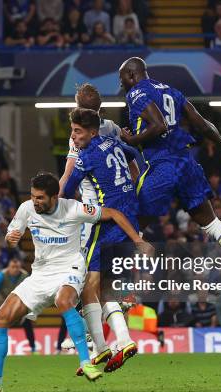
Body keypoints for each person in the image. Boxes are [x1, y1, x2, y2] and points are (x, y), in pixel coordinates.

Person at [0, 172, 145, 392]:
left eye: (40, 198)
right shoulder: (26, 209)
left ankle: (86, 361)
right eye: (33, 196)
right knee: (0, 319)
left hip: (71, 266)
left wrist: (137, 240)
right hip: (40, 273)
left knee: (63, 301)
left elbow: (114, 213)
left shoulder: (74, 208)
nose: (35, 201)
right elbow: (13, 235)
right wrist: (10, 240)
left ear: (54, 197)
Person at [119, 56, 221, 301]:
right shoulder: (171, 90)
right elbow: (200, 122)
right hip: (187, 162)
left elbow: (159, 125)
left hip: (162, 165)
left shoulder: (136, 93)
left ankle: (123, 292)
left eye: (122, 78)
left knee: (128, 224)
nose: (122, 84)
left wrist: (131, 140)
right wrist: (220, 140)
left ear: (133, 75)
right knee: (212, 223)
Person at [61, 107, 146, 373]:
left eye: (77, 131)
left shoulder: (85, 157)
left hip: (107, 222)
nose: (73, 137)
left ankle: (100, 346)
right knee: (105, 286)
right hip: (130, 218)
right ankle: (122, 340)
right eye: (72, 132)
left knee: (89, 284)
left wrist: (61, 211)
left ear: (92, 131)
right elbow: (136, 159)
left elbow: (66, 189)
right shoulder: (115, 143)